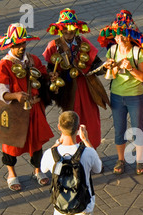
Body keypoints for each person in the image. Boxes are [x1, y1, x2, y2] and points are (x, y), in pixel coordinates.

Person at [0, 23, 54, 191]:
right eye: (17, 45)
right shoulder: (4, 65)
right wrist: (16, 95)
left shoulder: (33, 59)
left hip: (34, 108)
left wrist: (50, 78)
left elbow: (42, 76)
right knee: (10, 144)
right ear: (11, 45)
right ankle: (11, 173)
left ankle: (38, 170)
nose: (20, 48)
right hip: (13, 111)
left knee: (36, 141)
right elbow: (2, 93)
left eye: (23, 44)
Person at [43, 8, 108, 149]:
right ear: (60, 30)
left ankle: (91, 152)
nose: (68, 33)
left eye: (71, 30)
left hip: (85, 87)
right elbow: (49, 68)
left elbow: (95, 64)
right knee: (70, 122)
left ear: (76, 30)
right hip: (67, 90)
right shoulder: (54, 46)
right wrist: (51, 75)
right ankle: (73, 153)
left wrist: (105, 66)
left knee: (91, 120)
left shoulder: (83, 42)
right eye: (65, 30)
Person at [98, 10, 143, 175]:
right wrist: (109, 66)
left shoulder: (137, 53)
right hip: (117, 96)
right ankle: (121, 159)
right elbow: (109, 74)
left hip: (135, 96)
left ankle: (140, 160)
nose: (119, 39)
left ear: (130, 36)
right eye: (117, 36)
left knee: (137, 129)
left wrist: (131, 69)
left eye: (123, 36)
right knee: (119, 130)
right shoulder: (112, 51)